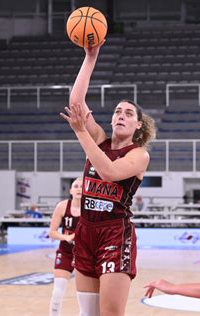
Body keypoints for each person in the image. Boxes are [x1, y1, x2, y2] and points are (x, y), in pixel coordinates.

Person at [60, 40, 156, 316]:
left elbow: (109, 172)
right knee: (87, 313)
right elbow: (76, 103)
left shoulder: (139, 155)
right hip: (86, 230)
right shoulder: (100, 139)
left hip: (115, 233)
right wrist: (90, 58)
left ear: (138, 125)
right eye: (117, 111)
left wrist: (80, 132)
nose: (121, 115)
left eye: (128, 113)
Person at [48, 177, 82, 316]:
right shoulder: (62, 206)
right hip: (66, 252)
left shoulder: (91, 209)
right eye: (76, 186)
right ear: (71, 190)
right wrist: (66, 237)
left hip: (85, 254)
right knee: (57, 292)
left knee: (84, 297)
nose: (79, 188)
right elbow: (52, 232)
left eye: (82, 186)